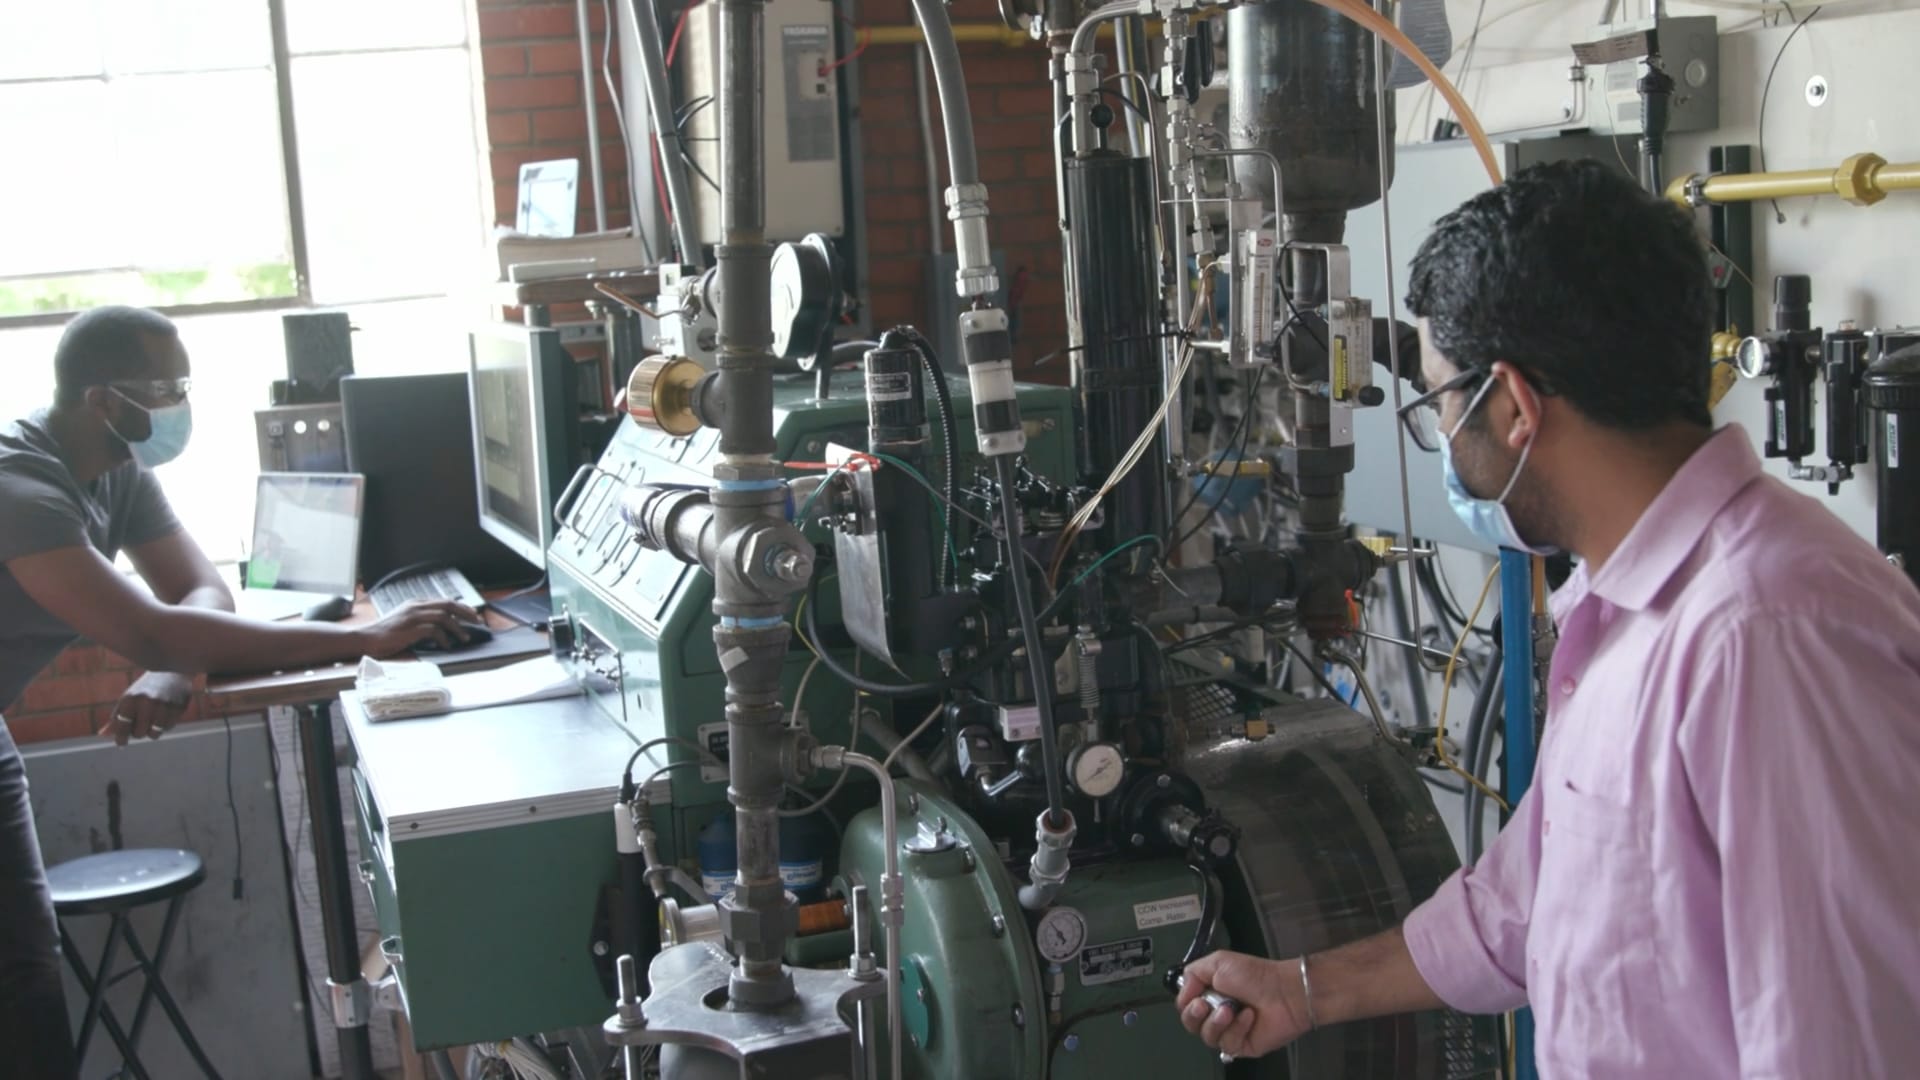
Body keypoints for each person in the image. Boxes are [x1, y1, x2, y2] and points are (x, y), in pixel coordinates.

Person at [1177, 160, 1920, 1076]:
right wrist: (1304, 988)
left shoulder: (1764, 638)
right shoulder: (1628, 610)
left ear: (1517, 407)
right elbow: (1531, 906)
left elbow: (1843, 1044)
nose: (1442, 437)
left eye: (1441, 403)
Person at [0, 306, 481, 1078]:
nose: (178, 404)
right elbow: (157, 628)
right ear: (100, 399)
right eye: (167, 386)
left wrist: (166, 671)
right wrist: (363, 638)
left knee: (24, 969)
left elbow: (199, 591)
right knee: (14, 979)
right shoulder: (22, 490)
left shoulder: (115, 468)